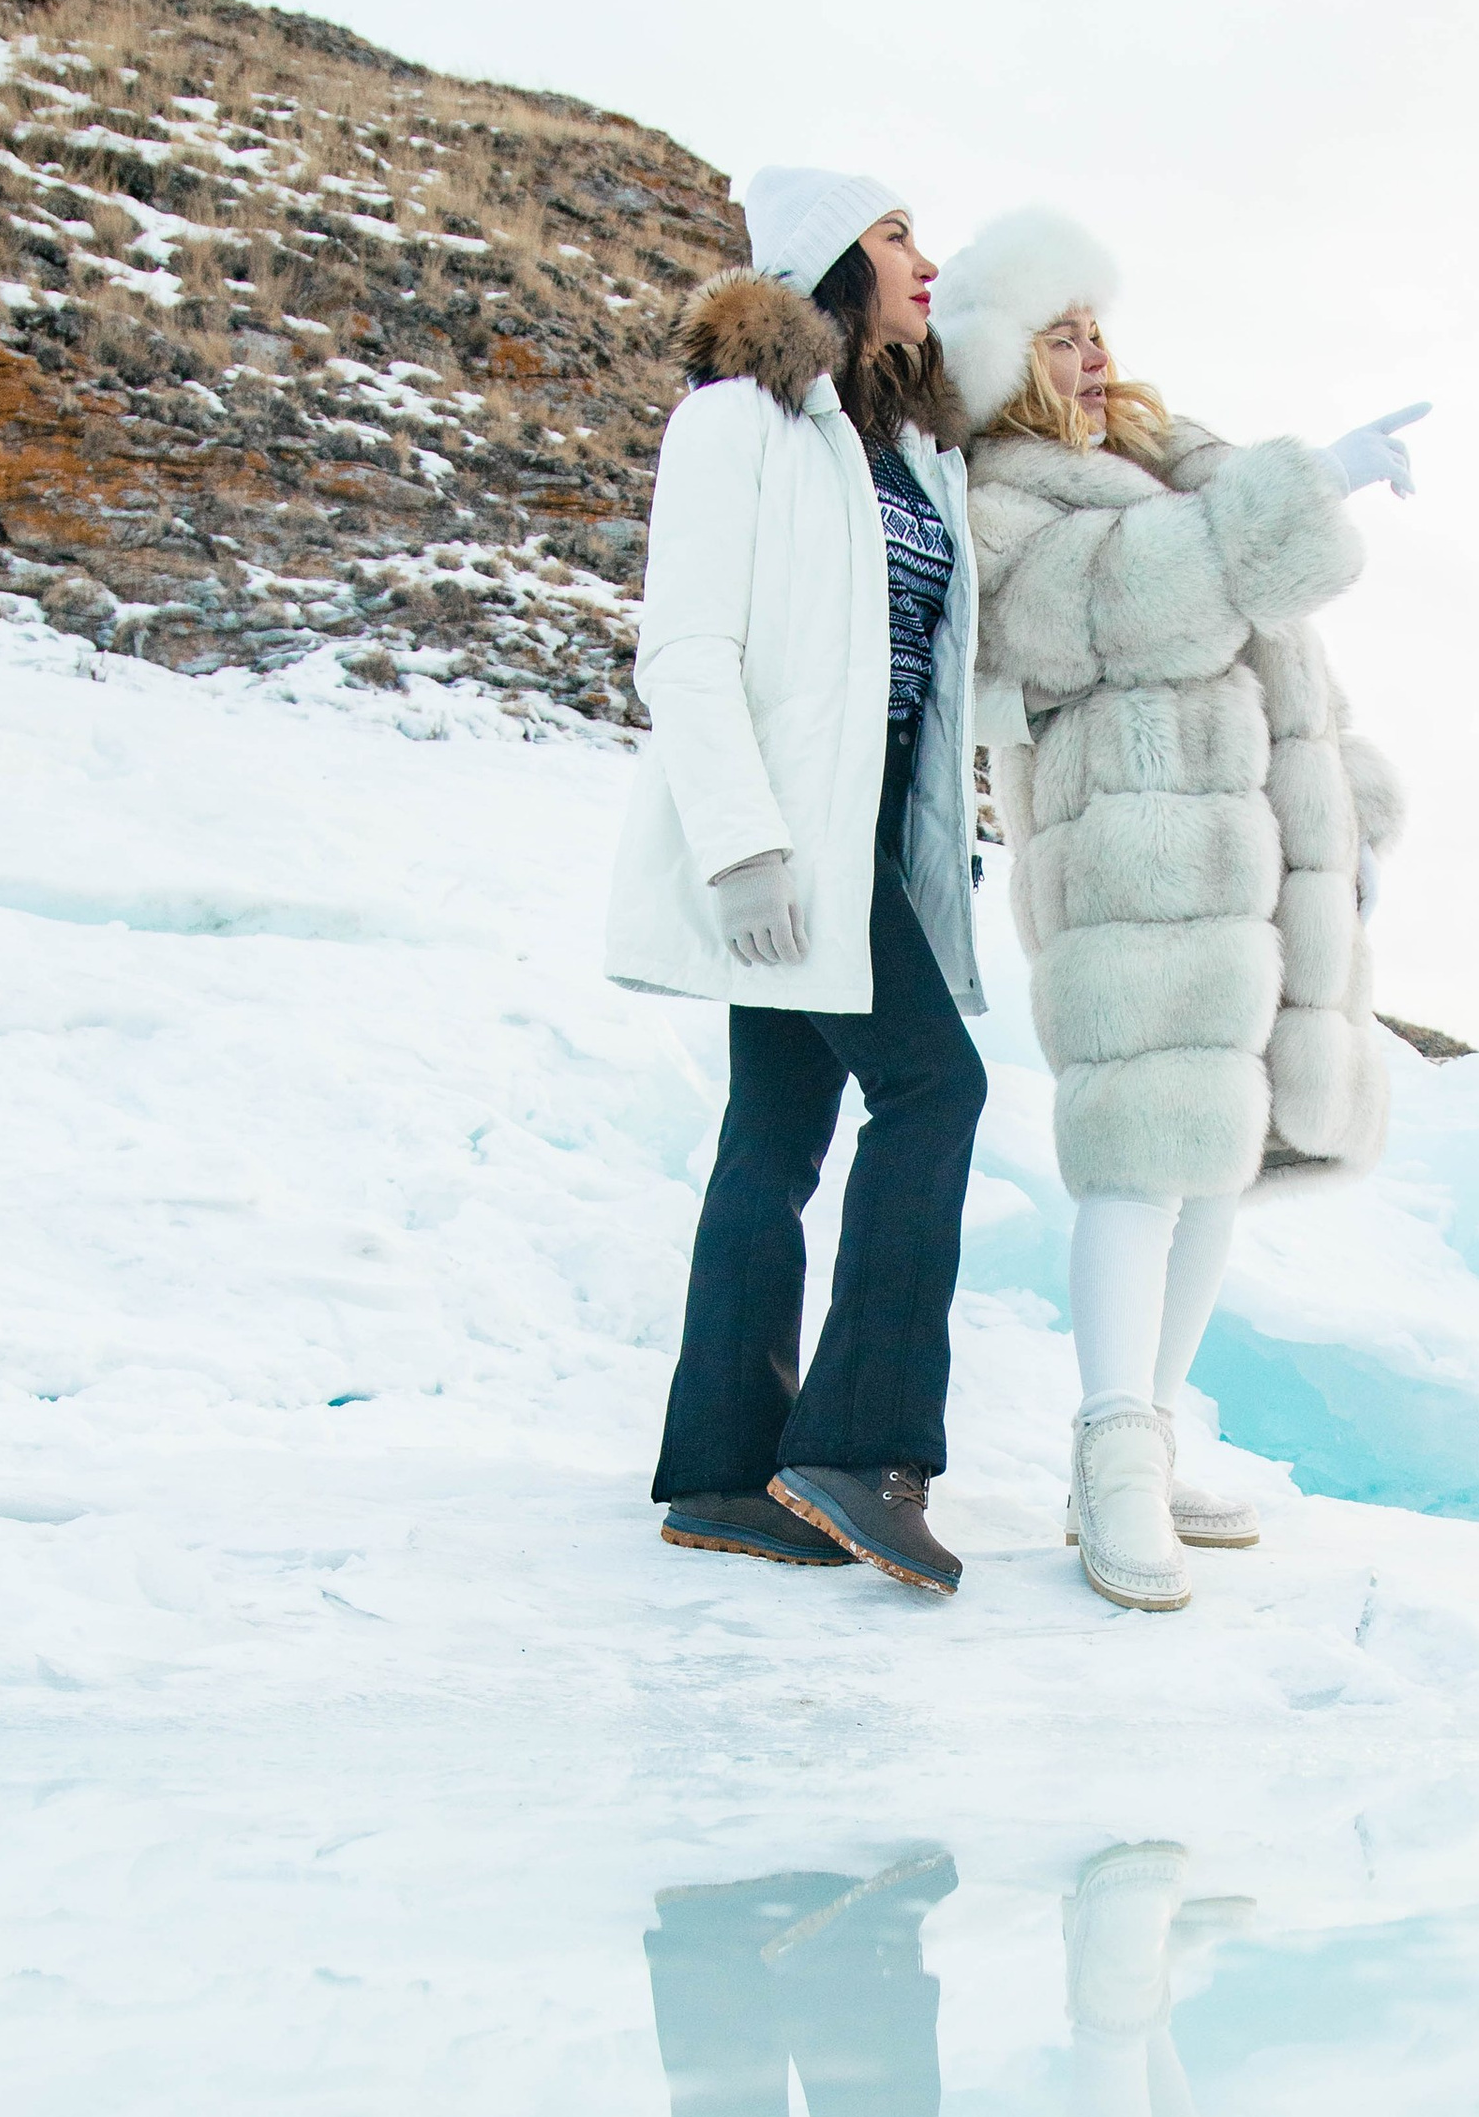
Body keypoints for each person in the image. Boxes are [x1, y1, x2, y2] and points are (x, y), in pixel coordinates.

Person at [931, 209, 1424, 1613]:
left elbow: (1292, 672)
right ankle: (1109, 1459)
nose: (1091, 355)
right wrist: (1307, 483)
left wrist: (1354, 814)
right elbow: (1135, 607)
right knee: (1141, 1164)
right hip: (1135, 855)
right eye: (1060, 334)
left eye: (1097, 329)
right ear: (1006, 358)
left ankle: (1151, 1429)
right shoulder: (1004, 494)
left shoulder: (1167, 460)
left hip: (1245, 859)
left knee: (1218, 1163)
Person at [607, 167, 986, 1596]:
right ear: (834, 257)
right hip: (786, 835)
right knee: (935, 1088)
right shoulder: (737, 424)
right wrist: (748, 846)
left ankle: (719, 1470)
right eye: (898, 235)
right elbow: (686, 649)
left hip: (870, 828)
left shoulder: (900, 452)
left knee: (773, 1137)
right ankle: (861, 1449)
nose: (924, 261)